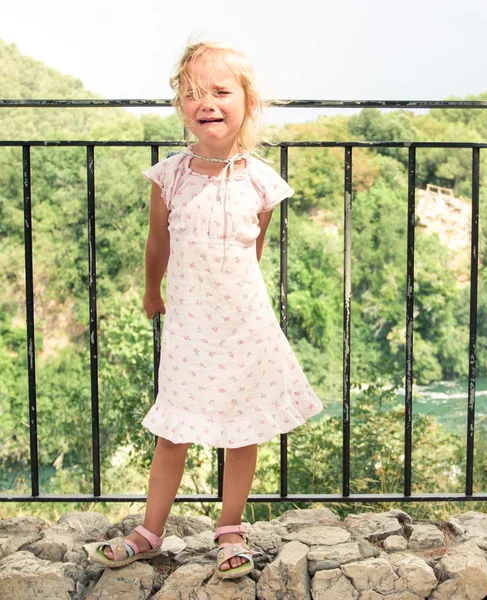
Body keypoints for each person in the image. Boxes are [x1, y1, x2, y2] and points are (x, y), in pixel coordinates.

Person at [89, 41, 323, 578]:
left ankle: (230, 527)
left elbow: (253, 254)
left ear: (248, 102)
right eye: (194, 93)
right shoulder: (169, 175)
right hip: (190, 327)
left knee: (241, 433)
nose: (208, 103)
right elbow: (157, 245)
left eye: (221, 91)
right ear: (180, 107)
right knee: (173, 431)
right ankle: (150, 531)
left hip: (244, 324)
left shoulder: (260, 181)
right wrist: (153, 292)